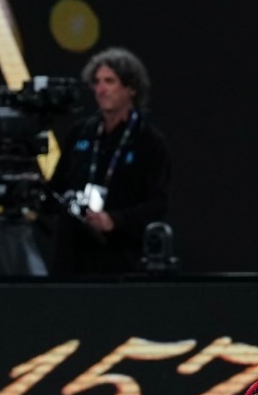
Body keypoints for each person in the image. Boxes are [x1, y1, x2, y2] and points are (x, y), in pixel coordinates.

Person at [49, 47, 171, 276]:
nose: (101, 89)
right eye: (97, 82)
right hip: (72, 256)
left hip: (121, 258)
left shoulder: (149, 141)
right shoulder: (81, 132)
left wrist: (115, 220)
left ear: (131, 88)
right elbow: (58, 185)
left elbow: (157, 203)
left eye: (109, 81)